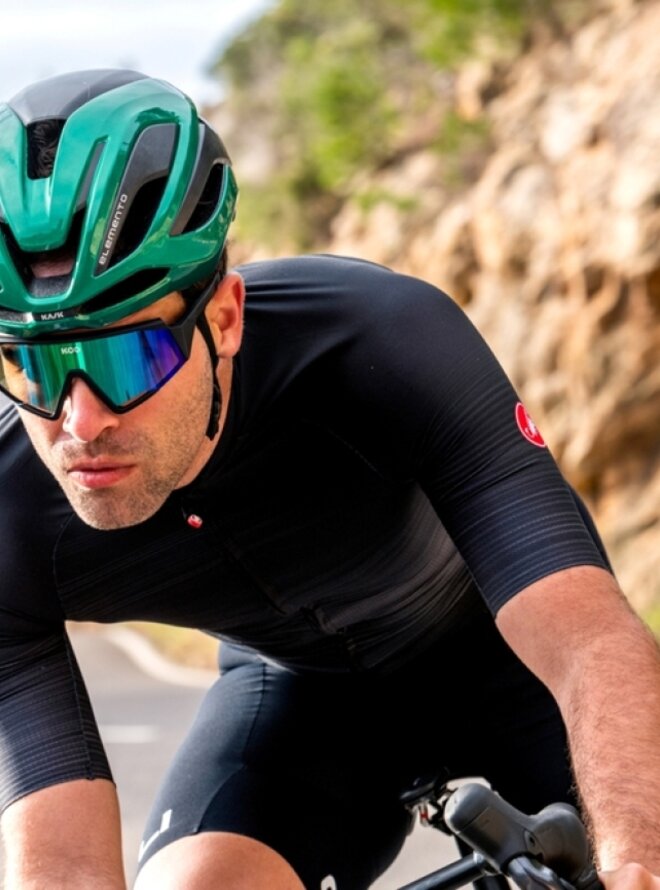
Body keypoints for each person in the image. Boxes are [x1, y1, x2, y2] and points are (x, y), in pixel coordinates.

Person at [0, 68, 657, 890]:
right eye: (31, 364)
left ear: (224, 318)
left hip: (509, 663)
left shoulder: (381, 343)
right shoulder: (9, 515)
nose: (79, 421)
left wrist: (636, 861)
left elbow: (589, 639)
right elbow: (61, 869)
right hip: (299, 712)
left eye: (127, 358)